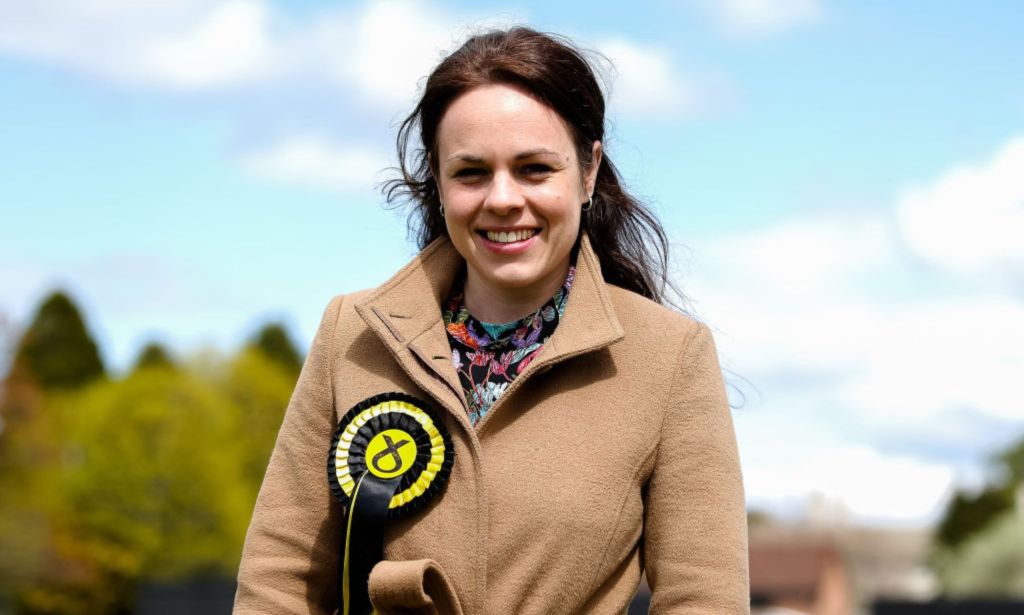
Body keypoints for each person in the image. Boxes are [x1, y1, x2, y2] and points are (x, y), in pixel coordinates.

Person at [234, 27, 748, 614]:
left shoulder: (672, 355)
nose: (502, 198)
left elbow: (703, 601)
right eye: (472, 172)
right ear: (439, 181)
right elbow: (277, 585)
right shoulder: (350, 332)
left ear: (587, 172)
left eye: (534, 169)